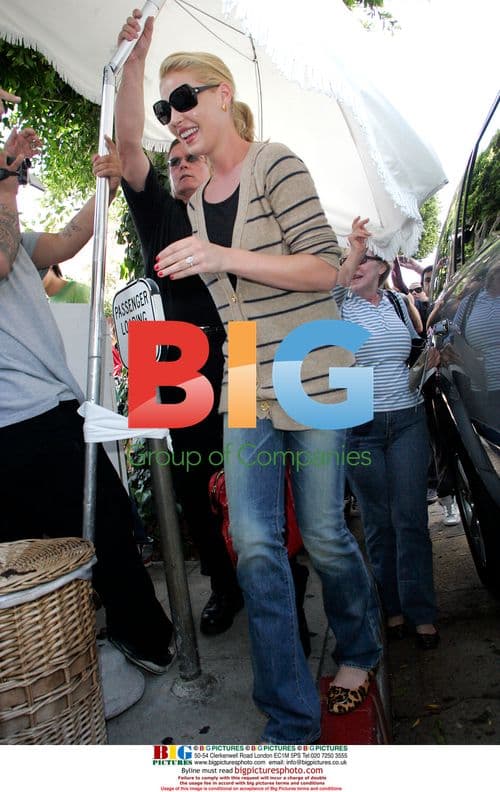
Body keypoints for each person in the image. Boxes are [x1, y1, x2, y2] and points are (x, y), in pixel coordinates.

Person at [128, 12, 382, 742]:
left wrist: (222, 259)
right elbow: (127, 150)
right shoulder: (189, 197)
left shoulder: (276, 162)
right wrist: (134, 66)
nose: (173, 119)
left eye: (185, 100)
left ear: (221, 95)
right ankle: (289, 715)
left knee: (327, 535)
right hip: (247, 373)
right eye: (163, 107)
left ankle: (360, 648)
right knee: (256, 542)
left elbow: (324, 273)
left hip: (317, 363)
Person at [0, 100, 174, 675]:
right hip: (18, 420)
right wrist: (6, 180)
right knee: (91, 528)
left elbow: (70, 241)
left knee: (81, 532)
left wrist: (108, 183)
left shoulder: (15, 239)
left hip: (45, 410)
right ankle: (141, 640)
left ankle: (75, 658)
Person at [115, 20, 243, 635]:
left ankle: (279, 578)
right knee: (194, 485)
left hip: (241, 360)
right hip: (175, 367)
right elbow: (129, 142)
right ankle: (224, 586)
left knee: (255, 477)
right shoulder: (160, 211)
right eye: (175, 159)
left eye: (193, 155)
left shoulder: (235, 203)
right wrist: (135, 60)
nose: (183, 162)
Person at [334, 220, 440, 650]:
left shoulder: (398, 304)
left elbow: (413, 350)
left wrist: (430, 358)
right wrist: (352, 250)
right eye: (355, 257)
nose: (359, 264)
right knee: (379, 523)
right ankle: (391, 608)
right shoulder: (339, 303)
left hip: (409, 419)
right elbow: (333, 285)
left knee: (411, 518)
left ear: (383, 266)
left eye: (368, 257)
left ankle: (422, 612)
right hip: (360, 426)